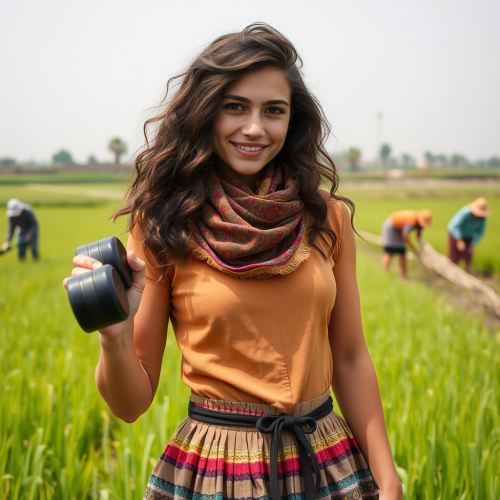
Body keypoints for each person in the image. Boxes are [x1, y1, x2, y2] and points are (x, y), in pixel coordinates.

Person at [64, 24, 402, 500]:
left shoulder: (326, 217)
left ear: (292, 120)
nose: (254, 128)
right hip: (217, 468)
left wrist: (387, 479)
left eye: (274, 111)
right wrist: (114, 337)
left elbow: (349, 357)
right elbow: (130, 404)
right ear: (205, 112)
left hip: (325, 459)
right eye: (235, 106)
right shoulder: (164, 222)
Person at [381, 209, 432, 280]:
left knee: (402, 252)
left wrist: (423, 248)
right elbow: (405, 236)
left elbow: (418, 236)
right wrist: (414, 249)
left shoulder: (419, 224)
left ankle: (403, 277)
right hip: (391, 226)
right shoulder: (412, 220)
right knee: (389, 250)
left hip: (399, 229)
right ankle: (385, 274)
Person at [447, 197, 489, 273]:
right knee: (454, 256)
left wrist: (473, 244)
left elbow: (480, 232)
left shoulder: (482, 218)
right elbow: (455, 226)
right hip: (455, 234)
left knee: (468, 256)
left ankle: (467, 274)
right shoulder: (466, 212)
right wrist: (459, 240)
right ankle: (451, 273)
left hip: (469, 236)